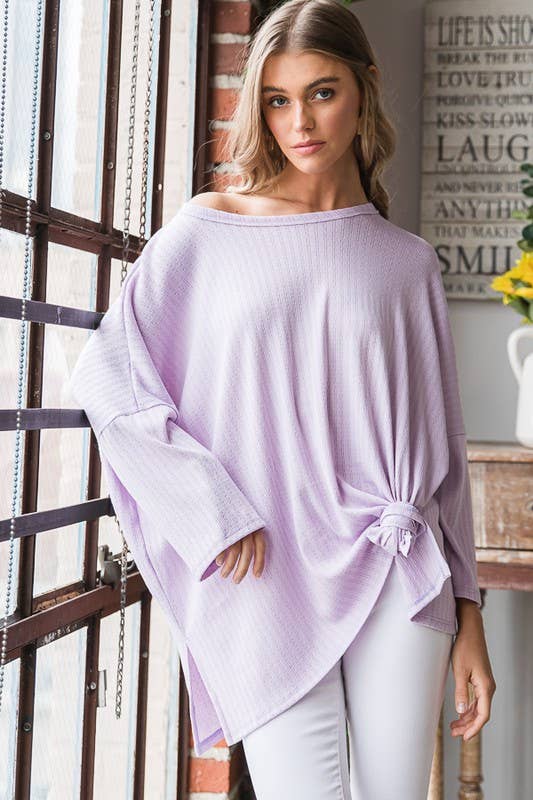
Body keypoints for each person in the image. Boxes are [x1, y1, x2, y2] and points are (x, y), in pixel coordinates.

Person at [69, 1, 496, 797]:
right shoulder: (208, 230)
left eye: (321, 92)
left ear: (363, 89)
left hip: (394, 564)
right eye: (276, 99)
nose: (299, 121)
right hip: (263, 570)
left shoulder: (405, 262)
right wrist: (209, 507)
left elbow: (442, 455)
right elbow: (109, 375)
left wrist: (469, 615)